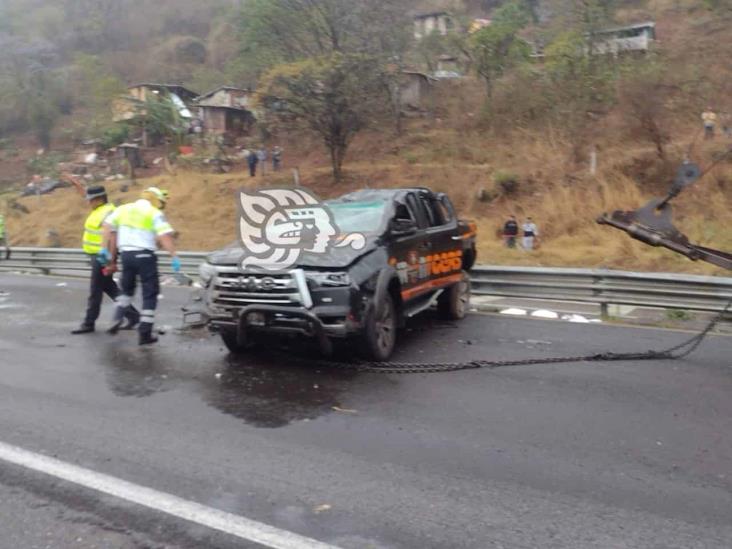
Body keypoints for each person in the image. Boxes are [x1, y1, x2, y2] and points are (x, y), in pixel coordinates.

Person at [62, 175, 140, 334]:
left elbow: (112, 239)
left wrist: (111, 261)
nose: (87, 201)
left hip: (102, 257)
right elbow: (84, 194)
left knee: (95, 291)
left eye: (91, 199)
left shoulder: (108, 213)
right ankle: (133, 315)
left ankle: (89, 323)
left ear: (98, 199)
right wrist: (77, 185)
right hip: (96, 256)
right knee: (110, 288)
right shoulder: (99, 208)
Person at [102, 187, 179, 345]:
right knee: (150, 294)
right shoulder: (153, 212)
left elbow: (106, 226)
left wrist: (105, 249)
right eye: (161, 202)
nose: (161, 206)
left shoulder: (123, 209)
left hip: (127, 256)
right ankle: (145, 333)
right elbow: (164, 236)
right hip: (145, 257)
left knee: (126, 291)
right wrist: (174, 256)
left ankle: (117, 317)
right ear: (155, 200)